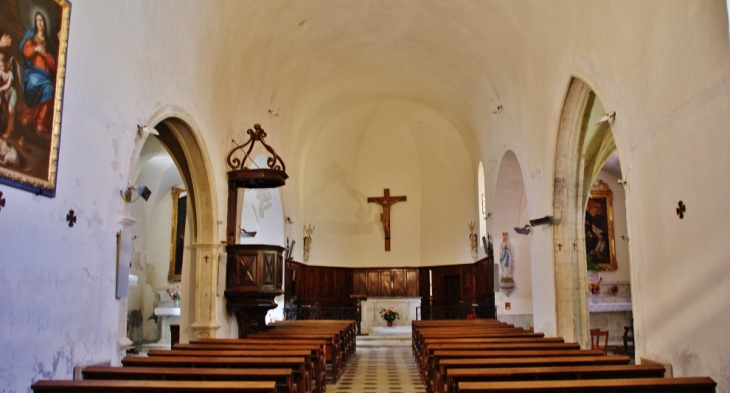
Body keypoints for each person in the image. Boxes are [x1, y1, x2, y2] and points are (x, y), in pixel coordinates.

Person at [19, 11, 57, 134]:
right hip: (33, 72)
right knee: (33, 83)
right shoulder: (32, 39)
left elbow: (54, 65)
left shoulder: (48, 44)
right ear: (36, 23)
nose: (40, 23)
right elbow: (26, 51)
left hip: (45, 76)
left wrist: (45, 54)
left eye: (42, 20)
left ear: (45, 24)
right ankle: (27, 117)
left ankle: (41, 122)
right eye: (38, 20)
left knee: (49, 89)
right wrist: (36, 49)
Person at [0, 52, 18, 139]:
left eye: (2, 66)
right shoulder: (0, 71)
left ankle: (8, 132)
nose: (1, 68)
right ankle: (10, 126)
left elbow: (8, 85)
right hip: (5, 93)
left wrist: (0, 89)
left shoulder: (10, 73)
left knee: (10, 110)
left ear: (6, 64)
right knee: (3, 108)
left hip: (11, 93)